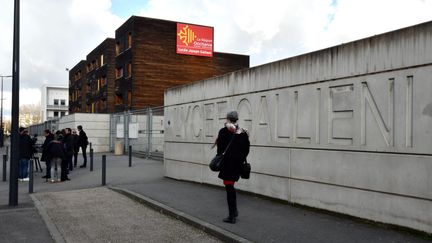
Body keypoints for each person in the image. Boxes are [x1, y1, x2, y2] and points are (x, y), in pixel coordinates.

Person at [215, 111, 250, 224]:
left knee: (229, 189)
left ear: (228, 118)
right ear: (236, 119)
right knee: (230, 187)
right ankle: (234, 212)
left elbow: (220, 150)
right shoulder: (243, 132)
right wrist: (239, 159)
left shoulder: (224, 131)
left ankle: (232, 216)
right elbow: (246, 150)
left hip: (228, 165)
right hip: (237, 165)